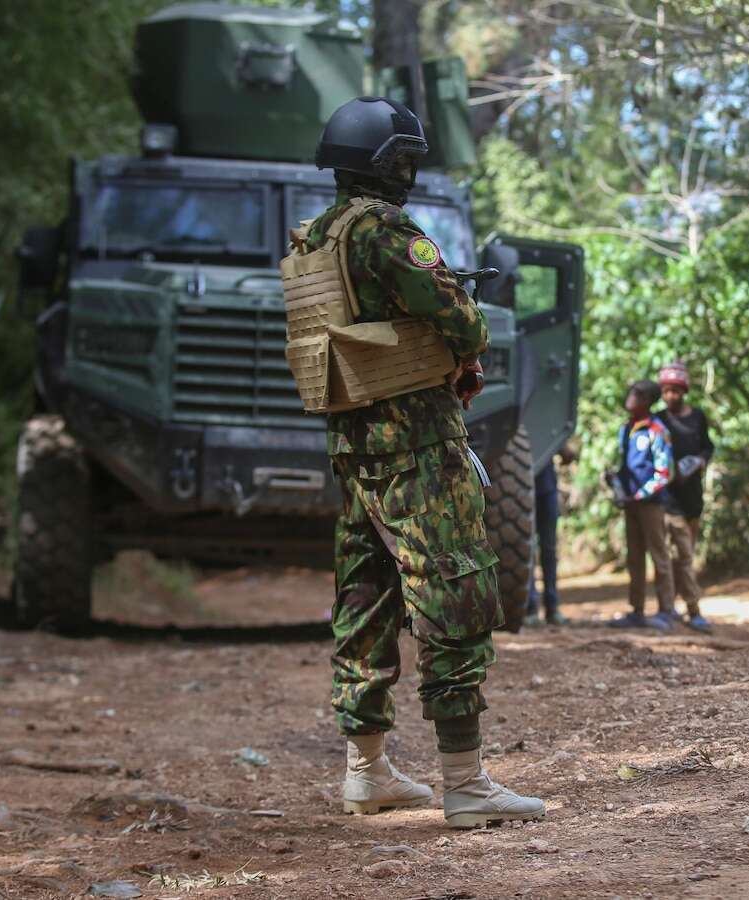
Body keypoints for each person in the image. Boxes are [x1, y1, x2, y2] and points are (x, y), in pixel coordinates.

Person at [287, 96, 542, 828]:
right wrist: (465, 332)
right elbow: (459, 318)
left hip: (356, 448)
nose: (408, 171)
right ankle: (466, 783)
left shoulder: (317, 238)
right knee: (455, 589)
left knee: (365, 599)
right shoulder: (386, 232)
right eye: (402, 158)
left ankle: (367, 773)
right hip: (417, 446)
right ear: (380, 163)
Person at [608, 379, 676, 630]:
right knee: (634, 558)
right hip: (631, 504)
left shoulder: (657, 431)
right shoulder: (626, 429)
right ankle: (636, 610)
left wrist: (639, 495)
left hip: (651, 504)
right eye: (631, 391)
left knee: (659, 555)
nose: (630, 397)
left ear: (647, 401)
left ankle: (666, 611)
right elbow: (627, 467)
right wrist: (615, 480)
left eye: (637, 394)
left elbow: (664, 472)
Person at [658, 362, 715, 633]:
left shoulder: (697, 417)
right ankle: (687, 609)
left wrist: (699, 462)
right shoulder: (658, 421)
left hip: (693, 499)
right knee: (677, 557)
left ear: (684, 391)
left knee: (686, 554)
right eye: (666, 391)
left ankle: (679, 607)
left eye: (675, 391)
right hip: (668, 500)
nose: (671, 396)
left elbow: (708, 447)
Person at [525, 444, 574, 626]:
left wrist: (564, 447)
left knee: (549, 549)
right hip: (522, 490)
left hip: (547, 489)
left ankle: (552, 608)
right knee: (527, 550)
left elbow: (567, 453)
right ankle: (530, 608)